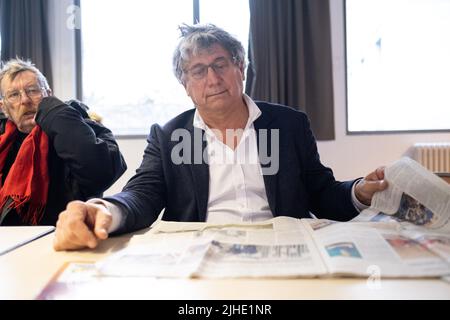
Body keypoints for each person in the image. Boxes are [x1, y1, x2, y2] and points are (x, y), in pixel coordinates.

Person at [53, 24, 387, 251]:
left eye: (220, 64)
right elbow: (143, 195)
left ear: (240, 68)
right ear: (185, 84)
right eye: (198, 71)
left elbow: (322, 193)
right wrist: (104, 209)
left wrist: (360, 191)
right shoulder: (170, 136)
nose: (212, 78)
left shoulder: (289, 125)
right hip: (201, 254)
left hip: (284, 249)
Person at [0, 58, 127, 226]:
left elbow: (101, 173)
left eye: (33, 90)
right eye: (14, 95)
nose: (25, 100)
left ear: (48, 94)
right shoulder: (4, 141)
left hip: (67, 234)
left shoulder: (76, 123)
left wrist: (56, 114)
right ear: (4, 107)